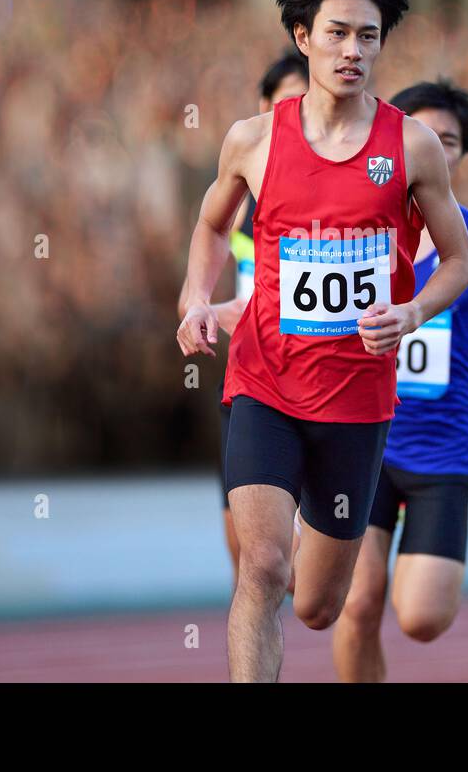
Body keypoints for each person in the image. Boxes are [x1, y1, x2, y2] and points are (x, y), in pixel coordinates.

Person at [176, 0, 468, 682]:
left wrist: (411, 311)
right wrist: (194, 296)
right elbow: (214, 226)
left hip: (357, 401)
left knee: (317, 604)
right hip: (264, 384)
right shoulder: (255, 139)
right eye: (338, 34)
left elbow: (459, 263)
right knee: (263, 568)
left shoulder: (410, 146)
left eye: (368, 38)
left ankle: (322, 544)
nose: (353, 51)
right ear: (303, 37)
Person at [331, 78, 468, 683]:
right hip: (362, 448)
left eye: (447, 139)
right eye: (420, 132)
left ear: (459, 153)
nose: (432, 146)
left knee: (420, 618)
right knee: (356, 602)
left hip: (441, 458)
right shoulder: (358, 236)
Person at [177, 48, 309, 590]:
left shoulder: (338, 194)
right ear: (263, 107)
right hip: (250, 382)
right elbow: (194, 294)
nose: (298, 117)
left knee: (310, 578)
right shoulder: (239, 199)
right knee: (251, 563)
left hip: (320, 383)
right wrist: (202, 310)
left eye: (309, 104)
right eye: (286, 104)